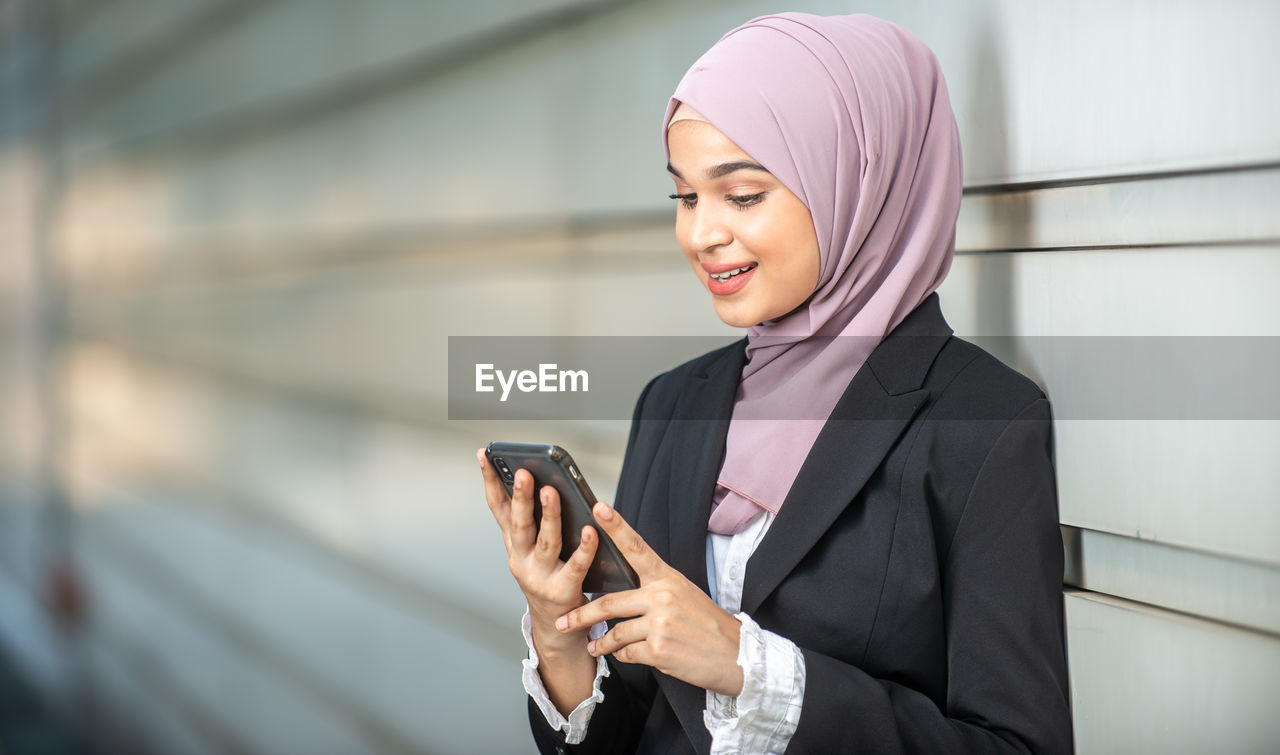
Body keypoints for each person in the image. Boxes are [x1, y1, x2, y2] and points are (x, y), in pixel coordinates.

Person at [476, 12, 1073, 754]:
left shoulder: (982, 422)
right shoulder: (674, 405)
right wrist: (557, 627)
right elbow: (633, 727)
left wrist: (747, 667)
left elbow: (1022, 745)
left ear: (857, 182)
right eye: (685, 198)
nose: (700, 235)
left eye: (743, 195)